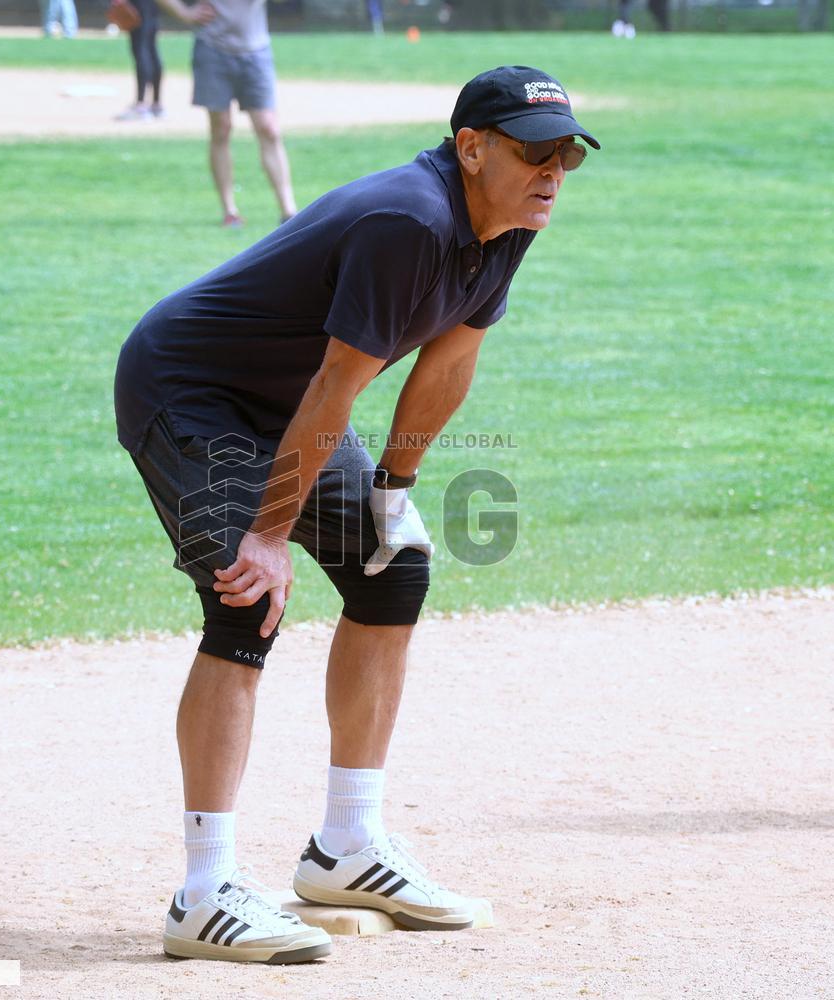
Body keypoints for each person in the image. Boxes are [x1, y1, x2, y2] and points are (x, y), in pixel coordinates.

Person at [114, 65, 599, 964]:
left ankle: (346, 845)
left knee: (392, 567)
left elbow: (448, 363)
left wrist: (392, 492)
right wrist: (266, 535)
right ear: (471, 148)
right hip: (193, 393)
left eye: (567, 155)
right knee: (244, 594)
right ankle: (203, 890)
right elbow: (341, 382)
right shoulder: (407, 221)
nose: (553, 172)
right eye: (535, 153)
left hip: (288, 402)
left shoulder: (506, 223)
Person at [157, 0, 296, 227]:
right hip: (213, 49)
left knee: (269, 128)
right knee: (221, 128)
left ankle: (288, 212)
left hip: (257, 49)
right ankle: (230, 211)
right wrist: (183, 12)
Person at [117, 0, 214, 120]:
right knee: (151, 48)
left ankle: (140, 105)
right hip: (153, 5)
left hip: (139, 4)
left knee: (141, 48)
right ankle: (156, 105)